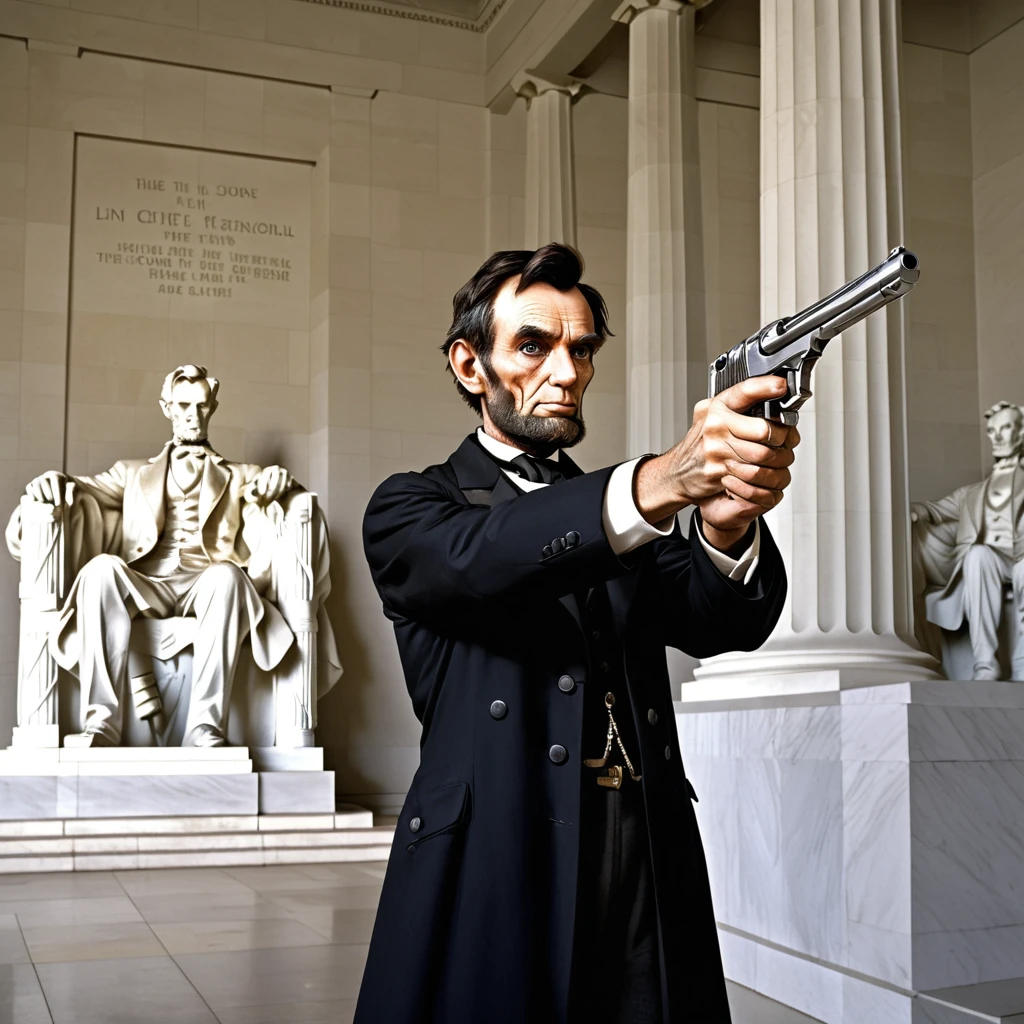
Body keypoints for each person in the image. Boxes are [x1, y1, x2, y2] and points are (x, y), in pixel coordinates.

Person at [357, 245, 798, 1023]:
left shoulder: (623, 518)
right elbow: (487, 558)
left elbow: (721, 622)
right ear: (470, 365)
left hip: (645, 842)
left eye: (582, 348)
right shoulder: (411, 509)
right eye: (534, 345)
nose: (566, 370)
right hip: (497, 846)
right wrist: (663, 479)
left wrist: (726, 527)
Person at [7, 364, 337, 747]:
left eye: (200, 406)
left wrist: (281, 482)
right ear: (166, 407)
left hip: (207, 582)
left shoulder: (240, 473)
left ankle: (205, 727)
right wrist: (53, 481)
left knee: (228, 576)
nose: (192, 415)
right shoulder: (131, 473)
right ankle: (102, 724)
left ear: (213, 406)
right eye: (182, 406)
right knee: (100, 571)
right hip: (147, 584)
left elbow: (272, 490)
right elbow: (81, 488)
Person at [912, 400, 1024, 679]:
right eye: (992, 430)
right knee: (977, 555)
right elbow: (935, 509)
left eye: (1006, 428)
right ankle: (986, 663)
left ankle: (1022, 662)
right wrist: (912, 511)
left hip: (1022, 558)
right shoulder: (973, 493)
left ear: (1021, 433)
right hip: (995, 560)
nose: (997, 437)